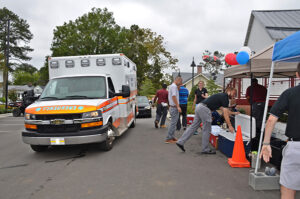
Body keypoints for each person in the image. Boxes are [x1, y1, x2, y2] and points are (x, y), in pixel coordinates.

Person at [261, 63, 300, 199]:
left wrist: (266, 144)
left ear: (297, 75)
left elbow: (271, 120)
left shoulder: (289, 93)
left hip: (295, 147)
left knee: (288, 191)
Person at [176, 87, 239, 154]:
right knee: (207, 129)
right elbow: (225, 113)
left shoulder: (221, 96)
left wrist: (234, 113)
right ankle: (205, 149)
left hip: (200, 107)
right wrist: (230, 125)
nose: (233, 96)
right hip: (205, 109)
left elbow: (224, 110)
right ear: (229, 90)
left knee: (193, 127)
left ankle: (180, 141)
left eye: (235, 95)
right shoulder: (225, 97)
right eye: (234, 93)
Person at [246, 78, 267, 150]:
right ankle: (262, 134)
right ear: (257, 82)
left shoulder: (250, 88)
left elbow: (248, 97)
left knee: (255, 120)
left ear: (252, 82)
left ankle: (255, 137)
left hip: (256, 104)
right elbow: (266, 96)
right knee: (262, 119)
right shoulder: (263, 88)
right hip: (264, 104)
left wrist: (251, 103)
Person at [165, 76, 182, 144]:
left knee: (174, 123)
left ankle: (172, 136)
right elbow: (174, 96)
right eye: (180, 82)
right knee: (173, 123)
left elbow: (175, 93)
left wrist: (179, 86)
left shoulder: (172, 86)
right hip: (174, 107)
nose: (181, 83)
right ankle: (168, 138)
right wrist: (178, 106)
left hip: (172, 106)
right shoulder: (174, 87)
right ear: (178, 80)